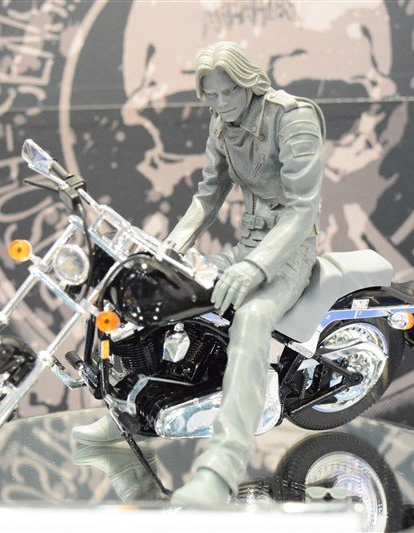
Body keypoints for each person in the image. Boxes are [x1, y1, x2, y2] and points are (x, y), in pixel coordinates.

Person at [72, 41, 325, 506]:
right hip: (247, 246)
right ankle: (128, 409)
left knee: (251, 319)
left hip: (289, 253)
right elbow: (207, 197)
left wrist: (255, 266)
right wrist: (168, 250)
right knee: (154, 290)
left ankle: (221, 469)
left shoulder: (292, 118)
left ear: (249, 83)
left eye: (229, 91)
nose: (221, 102)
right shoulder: (222, 124)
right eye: (211, 94)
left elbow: (302, 208)